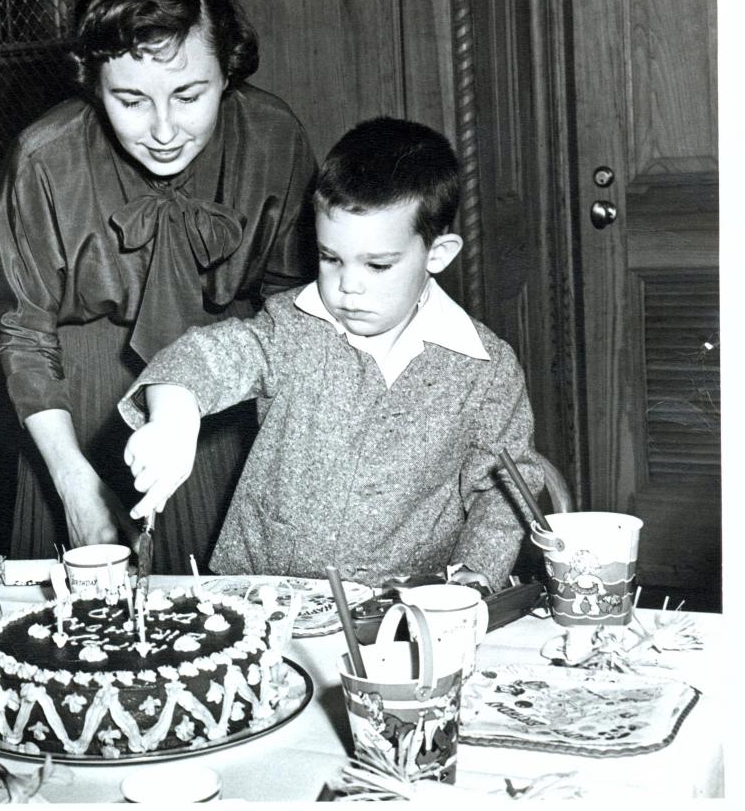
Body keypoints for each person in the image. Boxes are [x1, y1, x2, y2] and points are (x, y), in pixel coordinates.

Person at [0, 0, 317, 572]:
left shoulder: (275, 136)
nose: (164, 130)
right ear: (93, 81)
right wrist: (74, 483)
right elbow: (26, 337)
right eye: (131, 100)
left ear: (229, 69)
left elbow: (295, 310)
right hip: (75, 417)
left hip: (221, 413)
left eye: (190, 95)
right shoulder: (44, 159)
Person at [117, 117, 546, 590]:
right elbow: (208, 357)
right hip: (266, 590)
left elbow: (506, 489)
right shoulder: (291, 327)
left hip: (403, 606)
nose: (348, 286)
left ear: (438, 253)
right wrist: (174, 416)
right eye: (330, 258)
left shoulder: (485, 369)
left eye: (377, 265)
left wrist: (475, 573)